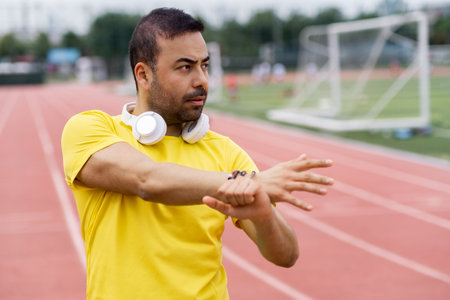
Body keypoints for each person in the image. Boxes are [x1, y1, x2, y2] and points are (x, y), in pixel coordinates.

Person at [61, 8, 334, 300]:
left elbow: (286, 255)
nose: (201, 80)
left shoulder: (225, 152)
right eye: (185, 67)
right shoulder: (90, 129)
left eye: (204, 66)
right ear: (143, 75)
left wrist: (264, 212)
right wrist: (243, 183)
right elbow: (146, 180)